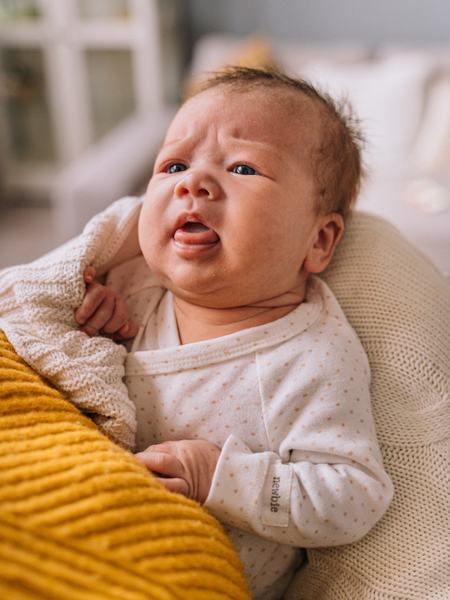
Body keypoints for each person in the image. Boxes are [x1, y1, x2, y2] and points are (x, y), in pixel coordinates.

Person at [74, 67, 393, 600]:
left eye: (243, 167)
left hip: (201, 577)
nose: (191, 183)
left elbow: (352, 496)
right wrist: (90, 316)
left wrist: (220, 478)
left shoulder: (310, 357)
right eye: (174, 163)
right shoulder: (132, 286)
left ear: (318, 239)